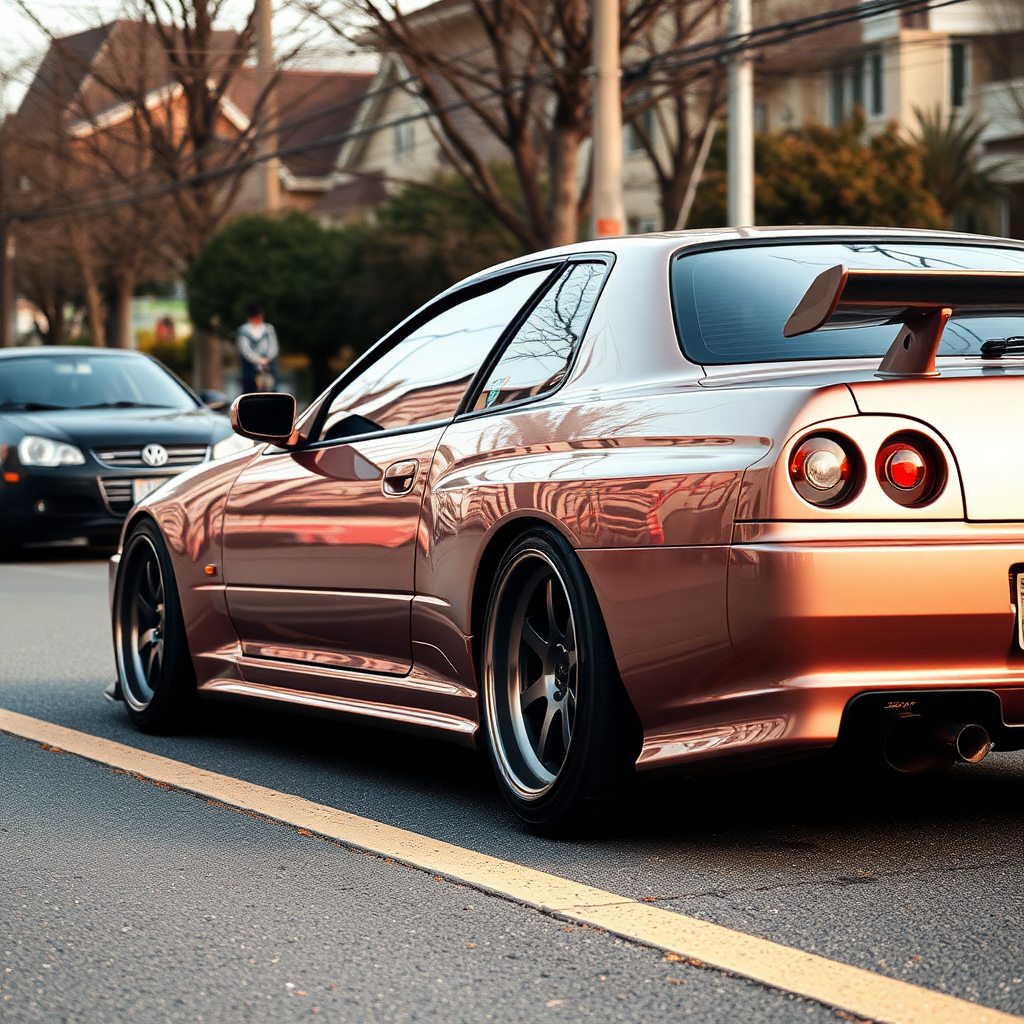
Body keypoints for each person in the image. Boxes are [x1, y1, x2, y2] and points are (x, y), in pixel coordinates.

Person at [236, 303, 280, 393]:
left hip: (268, 366)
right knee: (250, 391)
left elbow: (273, 346)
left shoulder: (268, 329)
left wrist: (267, 358)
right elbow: (244, 349)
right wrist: (257, 360)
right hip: (250, 367)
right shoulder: (244, 331)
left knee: (272, 389)